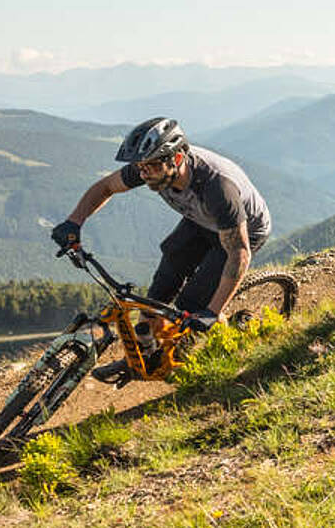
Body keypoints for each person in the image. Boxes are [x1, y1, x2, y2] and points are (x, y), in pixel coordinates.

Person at [49, 117, 272, 379]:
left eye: (151, 167)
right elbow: (106, 187)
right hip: (200, 221)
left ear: (176, 159)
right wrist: (73, 222)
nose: (144, 174)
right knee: (157, 294)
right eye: (140, 167)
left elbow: (239, 253)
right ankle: (144, 357)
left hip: (243, 231)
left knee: (192, 308)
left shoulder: (217, 188)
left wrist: (211, 312)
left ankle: (225, 342)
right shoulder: (152, 165)